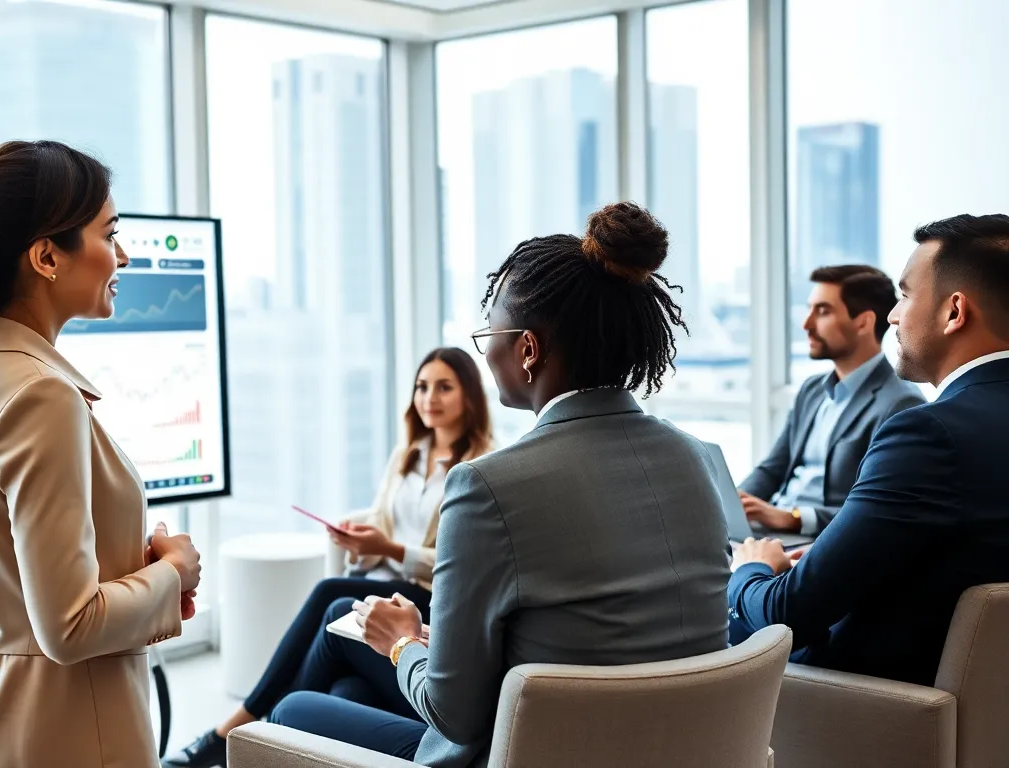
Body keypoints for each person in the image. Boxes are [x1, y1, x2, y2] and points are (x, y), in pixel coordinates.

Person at [267, 202, 732, 767]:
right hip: (675, 747)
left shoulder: (488, 486)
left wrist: (404, 643)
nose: (485, 350)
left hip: (529, 752)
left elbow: (456, 713)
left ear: (528, 349)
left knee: (294, 710)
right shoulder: (698, 459)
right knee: (347, 693)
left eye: (491, 331)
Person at [0, 136, 202, 768]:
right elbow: (70, 626)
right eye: (109, 233)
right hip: (68, 725)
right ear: (47, 256)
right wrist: (173, 572)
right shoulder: (40, 396)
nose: (122, 256)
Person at [162, 348, 494, 768]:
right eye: (422, 386)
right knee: (347, 689)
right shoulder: (408, 454)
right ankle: (271, 738)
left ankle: (240, 730)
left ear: (470, 396)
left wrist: (388, 550)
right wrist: (359, 542)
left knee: (334, 598)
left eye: (444, 387)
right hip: (386, 584)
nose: (429, 397)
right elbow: (381, 518)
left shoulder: (481, 465)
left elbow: (458, 561)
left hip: (424, 598)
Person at [729, 213, 1009, 686]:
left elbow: (789, 613)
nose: (894, 317)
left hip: (866, 702)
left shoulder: (927, 433)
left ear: (954, 312)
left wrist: (751, 569)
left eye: (904, 296)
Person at [739, 265, 923, 535]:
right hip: (772, 533)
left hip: (819, 541)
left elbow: (883, 511)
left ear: (863, 322)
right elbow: (772, 470)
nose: (806, 324)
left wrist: (793, 518)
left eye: (823, 311)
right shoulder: (812, 391)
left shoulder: (900, 403)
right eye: (809, 308)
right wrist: (734, 505)